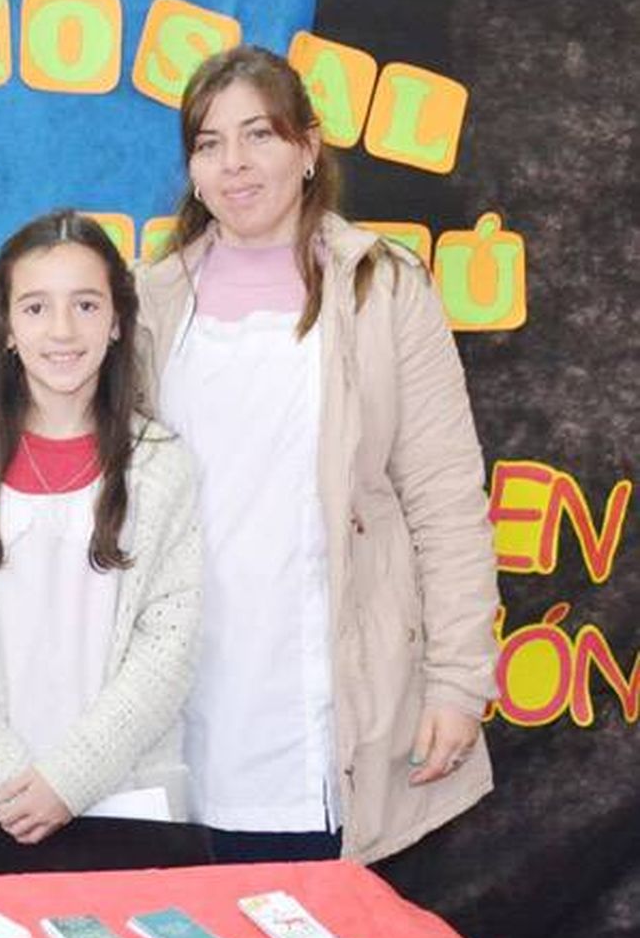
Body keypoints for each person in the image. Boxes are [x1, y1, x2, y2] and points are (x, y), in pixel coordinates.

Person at [135, 45, 499, 863]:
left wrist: (457, 681)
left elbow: (445, 499)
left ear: (307, 148)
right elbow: (56, 430)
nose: (234, 164)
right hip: (186, 692)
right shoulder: (151, 303)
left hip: (330, 697)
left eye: (258, 135)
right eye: (208, 143)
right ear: (190, 170)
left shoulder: (384, 287)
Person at [0, 209, 202, 875]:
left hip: (122, 803)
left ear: (117, 321)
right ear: (6, 326)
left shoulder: (161, 465)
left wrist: (67, 780)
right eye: (36, 307)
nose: (62, 330)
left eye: (86, 304)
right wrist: (14, 781)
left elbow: (170, 645)